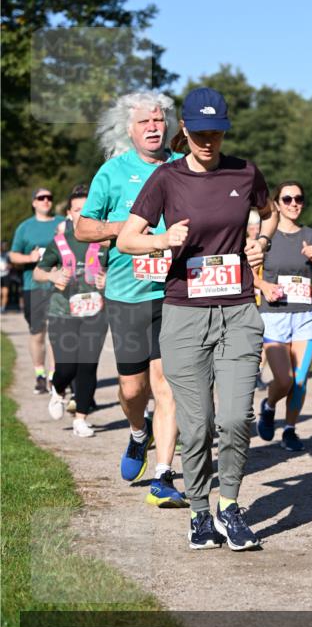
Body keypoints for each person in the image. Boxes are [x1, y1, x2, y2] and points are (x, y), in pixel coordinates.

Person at [117, 86, 278, 551]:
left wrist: (260, 243)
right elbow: (128, 239)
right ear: (183, 129)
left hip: (238, 310)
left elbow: (265, 216)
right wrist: (161, 242)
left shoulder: (245, 172)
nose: (209, 140)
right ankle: (200, 512)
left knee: (233, 419)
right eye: (200, 131)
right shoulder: (166, 178)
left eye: (217, 131)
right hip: (184, 313)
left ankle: (230, 506)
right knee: (199, 424)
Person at [76, 90, 185, 508]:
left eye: (159, 120)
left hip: (174, 292)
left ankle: (163, 476)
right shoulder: (113, 172)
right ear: (129, 129)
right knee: (132, 388)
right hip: (127, 294)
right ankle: (138, 432)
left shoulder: (183, 168)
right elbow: (84, 228)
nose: (154, 127)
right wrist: (129, 231)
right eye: (144, 122)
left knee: (166, 386)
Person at [255, 181, 312, 451]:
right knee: (284, 379)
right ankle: (268, 405)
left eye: (298, 198)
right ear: (276, 204)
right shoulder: (265, 238)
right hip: (274, 316)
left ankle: (290, 429)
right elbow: (249, 274)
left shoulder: (311, 236)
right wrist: (264, 286)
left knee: (299, 380)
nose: (294, 204)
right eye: (287, 199)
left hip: (305, 315)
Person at [33, 185, 108, 436]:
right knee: (66, 368)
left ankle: (81, 419)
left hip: (95, 312)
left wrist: (106, 278)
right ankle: (57, 389)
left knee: (87, 366)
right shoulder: (59, 242)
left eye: (88, 210)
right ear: (69, 213)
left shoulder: (106, 242)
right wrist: (53, 274)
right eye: (78, 210)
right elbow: (38, 272)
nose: (83, 214)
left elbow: (120, 272)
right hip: (62, 312)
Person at [9, 188, 65, 393]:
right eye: (41, 198)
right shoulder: (25, 228)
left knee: (56, 332)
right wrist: (29, 259)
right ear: (34, 202)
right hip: (33, 287)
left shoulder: (61, 222)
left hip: (59, 285)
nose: (46, 201)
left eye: (49, 197)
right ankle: (40, 374)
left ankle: (54, 376)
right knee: (37, 333)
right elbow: (13, 256)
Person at [0, 241, 11, 313]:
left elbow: (12, 265)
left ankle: (3, 308)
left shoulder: (7, 254)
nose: (4, 247)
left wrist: (8, 266)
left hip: (6, 275)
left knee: (5, 293)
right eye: (2, 245)